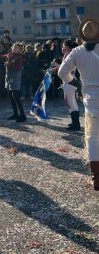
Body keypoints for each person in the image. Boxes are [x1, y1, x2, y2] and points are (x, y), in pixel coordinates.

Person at [58, 18, 99, 190]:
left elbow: (62, 73)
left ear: (81, 36)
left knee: (93, 138)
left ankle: (96, 177)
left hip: (91, 98)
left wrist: (76, 83)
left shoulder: (76, 52)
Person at [60, 40, 81, 131]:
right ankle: (75, 122)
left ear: (69, 47)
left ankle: (76, 124)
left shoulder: (71, 55)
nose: (63, 48)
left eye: (65, 46)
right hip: (68, 80)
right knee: (70, 102)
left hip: (70, 80)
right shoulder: (69, 55)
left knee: (71, 102)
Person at [4, 43, 26, 122]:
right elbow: (1, 58)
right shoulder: (10, 55)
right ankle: (15, 114)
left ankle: (22, 115)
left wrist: (8, 64)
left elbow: (17, 68)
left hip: (15, 78)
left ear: (19, 49)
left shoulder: (19, 57)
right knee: (11, 96)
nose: (14, 48)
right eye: (13, 47)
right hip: (9, 78)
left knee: (16, 97)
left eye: (16, 47)